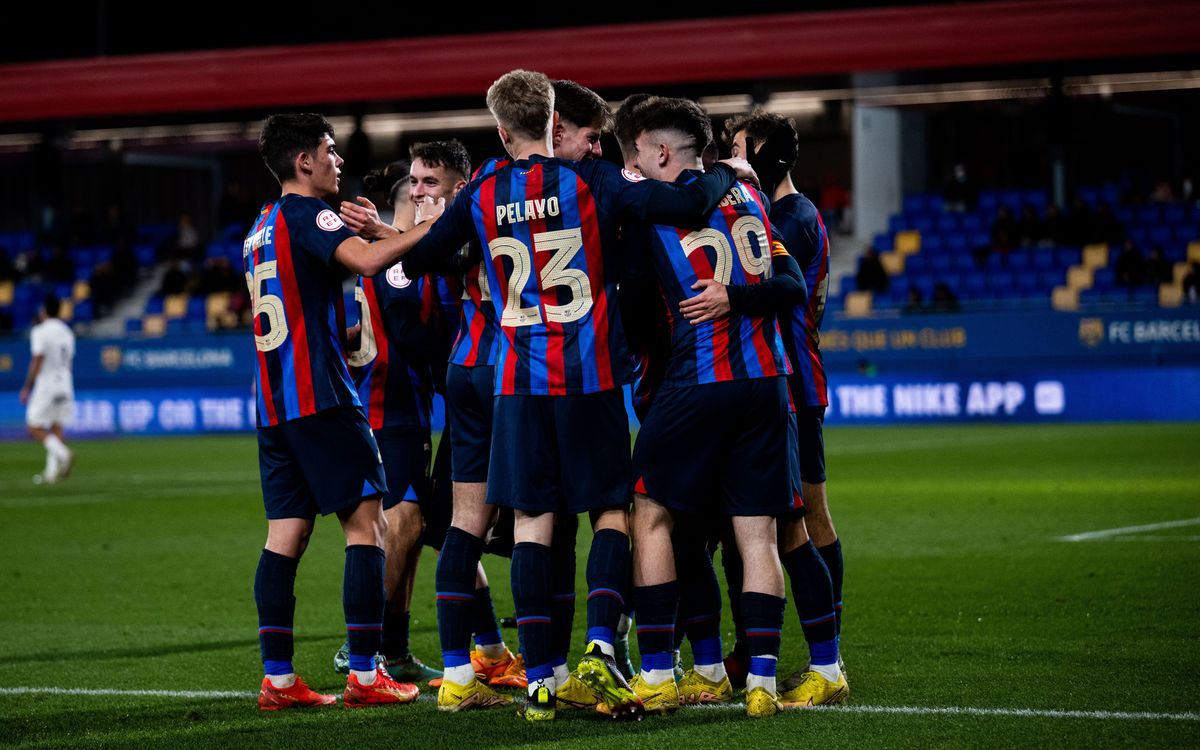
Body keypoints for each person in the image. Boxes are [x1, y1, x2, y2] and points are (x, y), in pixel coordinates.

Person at [398, 69, 754, 722]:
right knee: (611, 514)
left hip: (516, 384)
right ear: (553, 117)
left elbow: (414, 265)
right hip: (588, 377)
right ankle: (598, 646)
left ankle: (540, 681)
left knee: (534, 521)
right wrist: (728, 173)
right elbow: (682, 205)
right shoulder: (591, 182)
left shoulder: (480, 192)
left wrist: (440, 242)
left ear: (502, 130)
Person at [248, 112, 436, 711]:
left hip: (275, 404)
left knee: (286, 535)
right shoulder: (307, 212)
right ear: (303, 162)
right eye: (330, 151)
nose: (338, 160)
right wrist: (434, 230)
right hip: (324, 396)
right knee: (368, 525)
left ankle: (278, 680)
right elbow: (368, 262)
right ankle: (364, 671)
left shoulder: (259, 226)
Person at [623, 98, 804, 719]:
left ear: (663, 152)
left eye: (639, 153)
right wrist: (741, 297)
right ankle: (761, 684)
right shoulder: (752, 199)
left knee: (648, 513)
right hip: (767, 383)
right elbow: (792, 286)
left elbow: (637, 308)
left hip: (698, 381)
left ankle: (655, 675)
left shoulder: (653, 212)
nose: (635, 165)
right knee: (757, 534)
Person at [726, 109, 847, 707]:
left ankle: (828, 651)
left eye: (742, 148)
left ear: (768, 153)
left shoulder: (788, 220)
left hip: (791, 384)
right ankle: (771, 649)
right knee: (776, 524)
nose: (733, 159)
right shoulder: (780, 214)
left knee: (804, 521)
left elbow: (769, 289)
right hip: (781, 380)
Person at [20, 295, 75, 485]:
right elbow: (70, 362)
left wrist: (27, 386)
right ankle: (51, 473)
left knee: (33, 425)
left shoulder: (40, 331)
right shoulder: (67, 332)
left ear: (44, 311)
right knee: (56, 426)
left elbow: (38, 359)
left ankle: (64, 453)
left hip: (47, 382)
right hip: (66, 382)